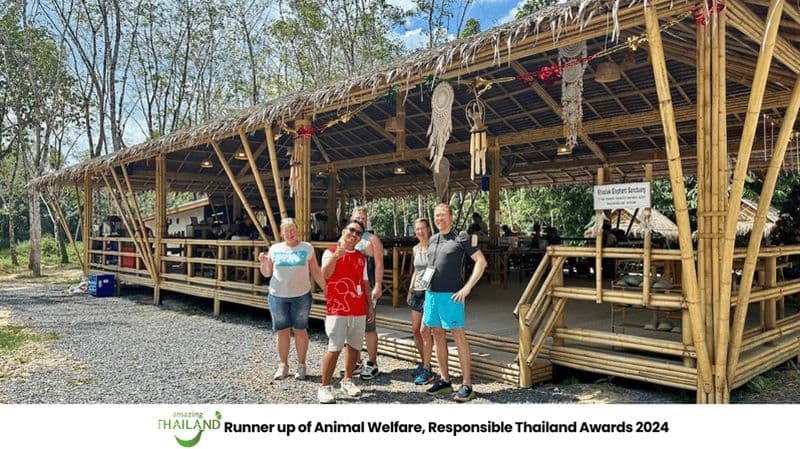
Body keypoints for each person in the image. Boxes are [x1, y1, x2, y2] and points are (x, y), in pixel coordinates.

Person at [423, 203, 487, 402]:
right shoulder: (433, 239)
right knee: (437, 334)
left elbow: (481, 262)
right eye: (436, 215)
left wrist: (467, 288)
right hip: (431, 294)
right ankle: (445, 380)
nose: (439, 218)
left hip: (451, 295)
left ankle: (467, 384)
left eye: (442, 215)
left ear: (450, 216)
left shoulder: (461, 237)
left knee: (458, 335)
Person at [258, 218, 325, 381]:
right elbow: (267, 273)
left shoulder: (307, 248)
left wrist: (327, 289)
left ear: (297, 230)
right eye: (286, 231)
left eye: (292, 229)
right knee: (282, 332)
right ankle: (283, 365)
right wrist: (263, 263)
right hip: (277, 296)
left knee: (300, 330)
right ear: (282, 233)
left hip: (301, 296)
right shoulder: (275, 249)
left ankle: (301, 365)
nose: (290, 233)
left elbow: (315, 271)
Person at [318, 219, 374, 404]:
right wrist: (336, 256)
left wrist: (369, 305)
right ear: (343, 231)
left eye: (358, 233)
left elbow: (365, 283)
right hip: (337, 308)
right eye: (352, 230)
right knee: (334, 347)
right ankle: (324, 386)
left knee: (354, 347)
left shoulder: (361, 257)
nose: (354, 235)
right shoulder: (330, 252)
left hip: (357, 308)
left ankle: (347, 380)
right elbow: (325, 274)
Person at [350, 207, 384, 380]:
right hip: (350, 289)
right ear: (351, 218)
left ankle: (372, 362)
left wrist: (377, 285)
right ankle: (355, 361)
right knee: (352, 327)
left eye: (363, 218)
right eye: (358, 217)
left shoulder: (372, 239)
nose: (360, 220)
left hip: (366, 287)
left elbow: (379, 263)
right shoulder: (347, 236)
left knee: (369, 326)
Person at [406, 218, 435, 385]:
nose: (420, 232)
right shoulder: (415, 248)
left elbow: (433, 269)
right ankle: (425, 362)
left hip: (429, 291)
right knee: (415, 330)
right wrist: (410, 289)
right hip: (417, 291)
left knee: (425, 330)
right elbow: (416, 271)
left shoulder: (433, 247)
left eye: (422, 228)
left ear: (428, 229)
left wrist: (425, 286)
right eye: (417, 229)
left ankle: (427, 368)